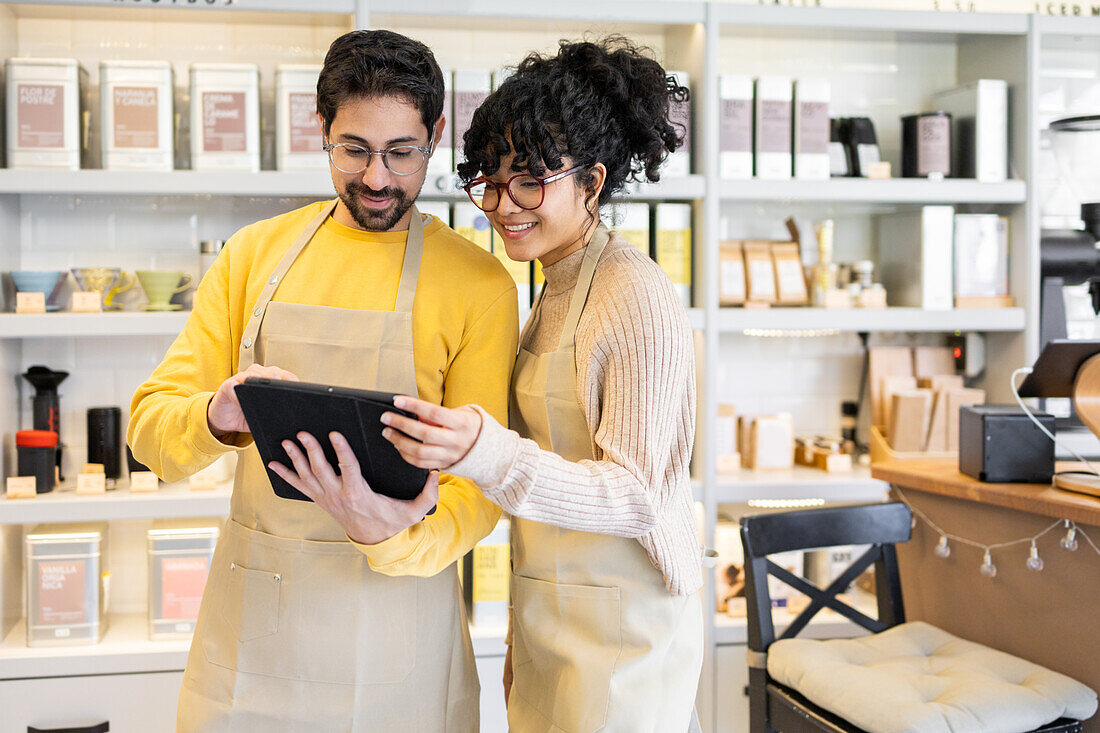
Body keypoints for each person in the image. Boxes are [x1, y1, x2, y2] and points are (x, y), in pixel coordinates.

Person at [127, 29, 518, 732]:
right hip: (255, 643)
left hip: (402, 641)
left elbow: (482, 486)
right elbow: (152, 433)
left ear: (434, 138)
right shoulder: (253, 254)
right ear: (321, 131)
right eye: (354, 149)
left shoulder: (479, 283)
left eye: (402, 153)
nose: (376, 178)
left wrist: (395, 534)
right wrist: (215, 415)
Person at [378, 37, 705, 732]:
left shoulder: (633, 294)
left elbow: (637, 494)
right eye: (490, 181)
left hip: (624, 628)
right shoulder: (551, 286)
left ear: (591, 181)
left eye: (530, 180)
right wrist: (521, 626)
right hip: (550, 614)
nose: (503, 204)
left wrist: (486, 453)